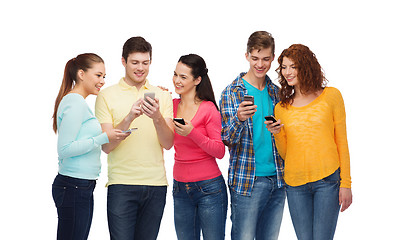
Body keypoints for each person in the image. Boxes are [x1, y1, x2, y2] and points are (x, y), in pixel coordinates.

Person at [267, 44, 352, 240]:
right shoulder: (281, 108)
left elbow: (342, 142)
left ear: (306, 67)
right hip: (295, 185)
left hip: (327, 182)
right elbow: (287, 154)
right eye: (284, 67)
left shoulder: (331, 96)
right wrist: (277, 134)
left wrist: (346, 183)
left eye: (293, 67)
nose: (287, 73)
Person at [95, 36, 174, 240]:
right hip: (121, 184)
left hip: (156, 185)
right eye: (135, 62)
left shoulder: (162, 95)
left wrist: (157, 116)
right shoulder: (106, 95)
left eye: (145, 63)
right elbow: (106, 146)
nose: (140, 68)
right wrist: (129, 117)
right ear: (124, 61)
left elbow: (168, 143)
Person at [52, 53, 127, 240]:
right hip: (73, 185)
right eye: (98, 75)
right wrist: (102, 138)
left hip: (80, 185)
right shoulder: (75, 102)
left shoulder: (78, 102)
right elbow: (65, 149)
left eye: (104, 77)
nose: (102, 81)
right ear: (81, 74)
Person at [219, 31, 286, 240]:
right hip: (247, 181)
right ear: (246, 56)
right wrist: (238, 118)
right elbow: (227, 140)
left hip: (278, 179)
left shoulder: (277, 92)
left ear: (273, 58)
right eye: (255, 58)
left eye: (266, 59)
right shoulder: (232, 92)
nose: (260, 64)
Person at [172, 54, 227, 240]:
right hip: (180, 188)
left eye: (183, 77)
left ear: (197, 80)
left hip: (209, 188)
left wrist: (192, 132)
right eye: (175, 75)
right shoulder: (170, 105)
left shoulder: (208, 108)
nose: (177, 81)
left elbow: (219, 151)